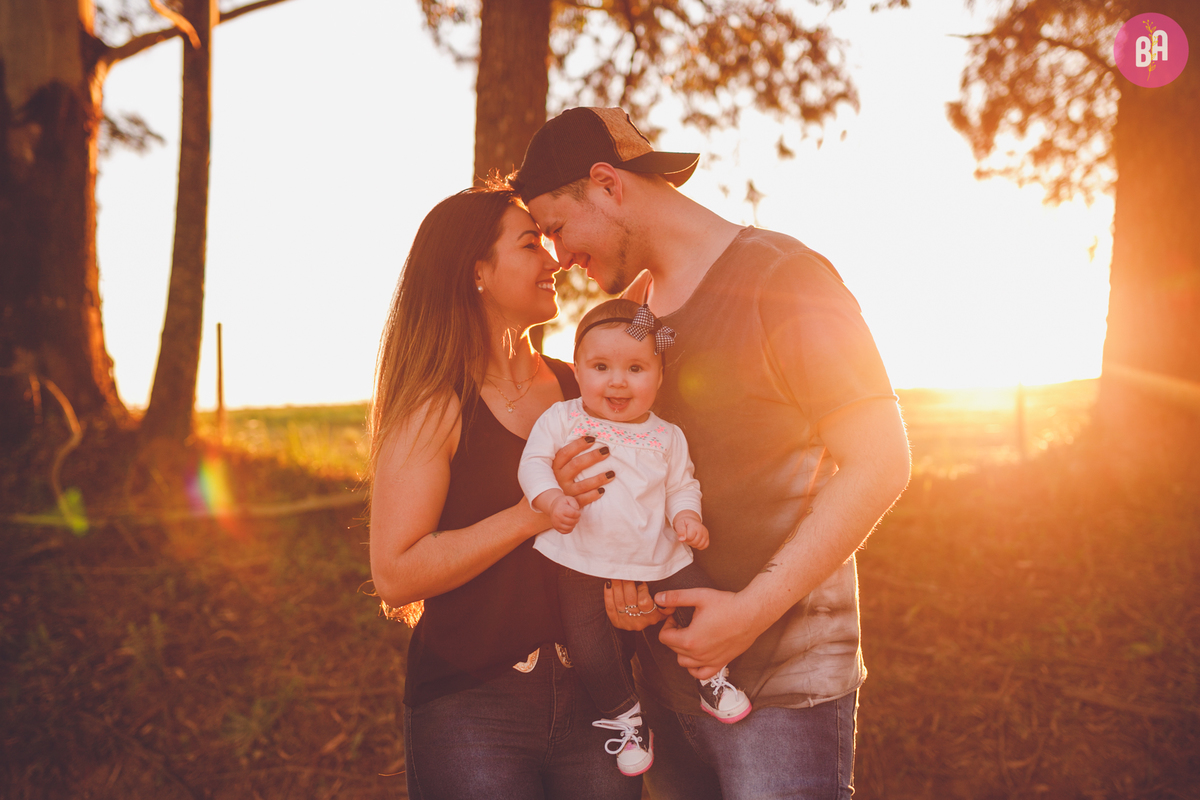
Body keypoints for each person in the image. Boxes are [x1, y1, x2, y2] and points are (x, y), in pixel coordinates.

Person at [511, 108, 912, 799]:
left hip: (782, 688)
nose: (558, 256)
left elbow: (883, 461)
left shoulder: (784, 278)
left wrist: (751, 610)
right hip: (666, 687)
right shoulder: (631, 323)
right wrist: (625, 595)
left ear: (606, 186)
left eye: (555, 228)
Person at [367, 184, 645, 800]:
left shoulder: (587, 391)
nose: (552, 259)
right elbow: (395, 572)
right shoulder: (435, 406)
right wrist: (528, 516)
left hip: (602, 706)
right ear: (477, 272)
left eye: (547, 241)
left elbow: (629, 524)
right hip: (473, 708)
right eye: (530, 244)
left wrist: (635, 602)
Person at [517, 298, 752, 778]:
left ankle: (713, 677)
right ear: (577, 370)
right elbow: (534, 463)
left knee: (701, 597)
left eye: (636, 368)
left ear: (658, 377)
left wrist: (687, 517)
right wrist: (548, 501)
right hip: (581, 556)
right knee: (588, 644)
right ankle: (625, 717)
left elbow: (682, 484)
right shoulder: (563, 419)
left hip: (659, 551)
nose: (618, 381)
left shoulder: (666, 436)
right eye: (601, 367)